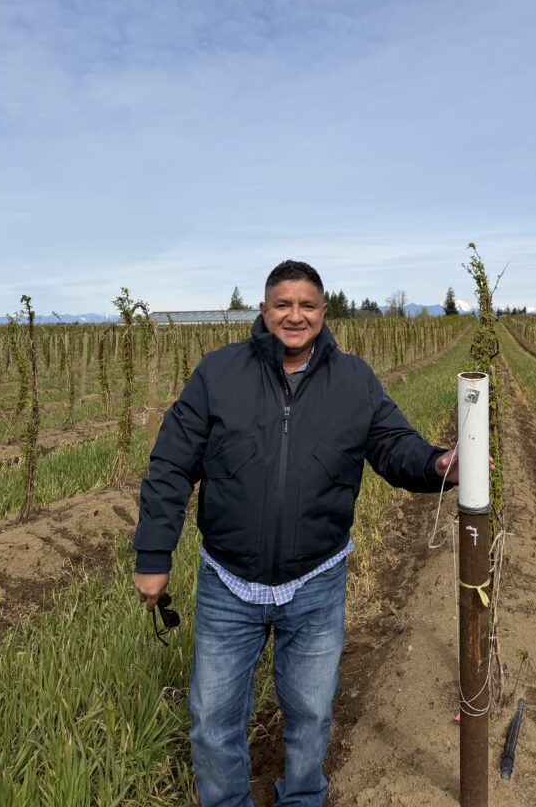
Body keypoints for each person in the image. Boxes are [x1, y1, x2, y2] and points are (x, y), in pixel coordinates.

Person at [133, 260, 460, 807]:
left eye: (307, 305)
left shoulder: (353, 380)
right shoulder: (218, 373)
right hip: (227, 582)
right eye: (282, 304)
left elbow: (392, 445)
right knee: (212, 718)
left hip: (316, 582)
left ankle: (302, 797)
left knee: (310, 712)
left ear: (323, 312)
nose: (295, 315)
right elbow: (170, 464)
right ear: (263, 310)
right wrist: (152, 554)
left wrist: (438, 464)